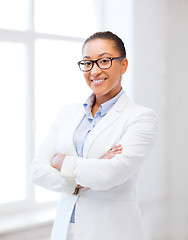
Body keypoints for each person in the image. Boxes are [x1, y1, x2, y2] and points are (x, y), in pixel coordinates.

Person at [31, 31, 158, 240]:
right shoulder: (67, 113)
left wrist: (61, 161)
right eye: (88, 63)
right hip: (64, 231)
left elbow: (110, 174)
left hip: (111, 232)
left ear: (123, 65)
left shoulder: (141, 118)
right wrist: (82, 178)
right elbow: (37, 170)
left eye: (105, 61)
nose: (95, 70)